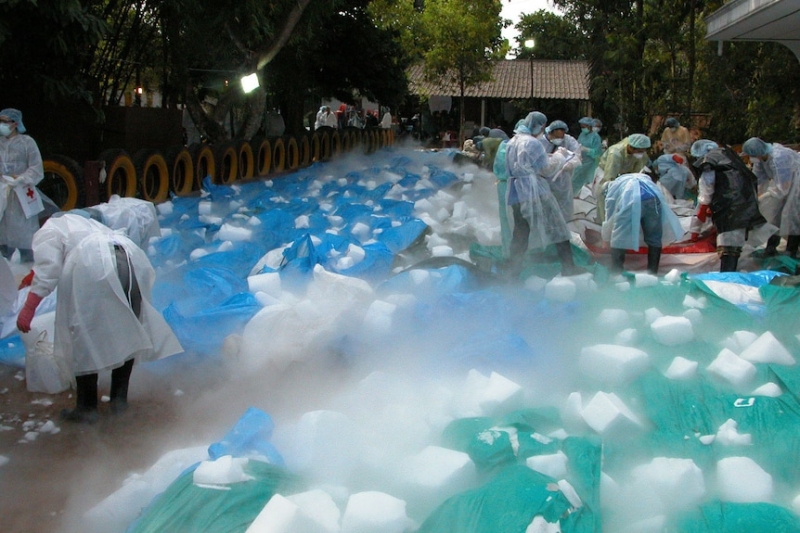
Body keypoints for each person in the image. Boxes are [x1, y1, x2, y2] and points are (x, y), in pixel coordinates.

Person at [16, 211, 182, 423]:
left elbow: (49, 269)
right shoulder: (81, 223)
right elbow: (52, 261)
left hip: (92, 262)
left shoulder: (46, 231)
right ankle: (119, 401)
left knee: (84, 332)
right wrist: (35, 272)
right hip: (128, 254)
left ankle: (87, 409)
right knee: (128, 327)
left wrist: (29, 308)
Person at [505, 112, 581, 277]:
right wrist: (559, 157)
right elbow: (545, 169)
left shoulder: (513, 141)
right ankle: (569, 268)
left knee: (520, 232)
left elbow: (521, 164)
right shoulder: (532, 143)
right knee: (557, 227)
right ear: (539, 126)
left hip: (516, 192)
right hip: (534, 191)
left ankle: (513, 270)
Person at [691, 139, 767, 272]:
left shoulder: (708, 162)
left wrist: (695, 230)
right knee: (735, 242)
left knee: (729, 247)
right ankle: (729, 272)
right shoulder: (729, 156)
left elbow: (705, 195)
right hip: (746, 201)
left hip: (729, 207)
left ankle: (727, 278)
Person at [602, 172, 684, 275]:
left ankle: (616, 274)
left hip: (631, 200)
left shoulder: (613, 188)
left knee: (619, 237)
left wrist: (606, 238)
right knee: (654, 239)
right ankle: (652, 273)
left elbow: (609, 215)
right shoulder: (636, 178)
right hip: (653, 200)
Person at [741, 137, 800, 258]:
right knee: (774, 214)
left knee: (792, 215)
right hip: (785, 184)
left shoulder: (779, 157)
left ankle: (791, 250)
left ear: (757, 152)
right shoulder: (761, 159)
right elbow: (757, 179)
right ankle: (771, 247)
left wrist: (765, 196)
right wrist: (753, 196)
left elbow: (783, 187)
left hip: (796, 184)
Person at [0, 108, 44, 263]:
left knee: (24, 233)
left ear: (15, 123)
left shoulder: (27, 143)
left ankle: (28, 265)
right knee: (3, 231)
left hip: (23, 195)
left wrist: (21, 178)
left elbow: (37, 169)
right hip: (2, 194)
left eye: (5, 121)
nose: (2, 125)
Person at [594, 133, 652, 221]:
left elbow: (636, 173)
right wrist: (611, 188)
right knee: (604, 197)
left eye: (643, 151)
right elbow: (609, 177)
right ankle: (603, 223)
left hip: (622, 174)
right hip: (605, 173)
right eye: (639, 151)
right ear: (631, 147)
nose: (641, 153)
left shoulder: (640, 154)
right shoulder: (615, 153)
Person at [537, 120, 582, 223]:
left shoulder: (569, 140)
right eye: (556, 137)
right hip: (544, 180)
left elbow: (577, 155)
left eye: (561, 137)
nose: (559, 140)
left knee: (564, 206)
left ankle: (565, 229)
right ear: (550, 133)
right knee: (545, 207)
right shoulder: (540, 142)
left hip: (563, 180)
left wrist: (569, 164)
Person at [572, 117, 603, 193]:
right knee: (575, 180)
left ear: (589, 126)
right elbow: (578, 145)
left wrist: (587, 150)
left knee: (588, 182)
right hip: (580, 160)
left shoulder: (596, 137)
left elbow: (598, 152)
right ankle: (575, 195)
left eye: (584, 126)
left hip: (590, 163)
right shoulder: (582, 134)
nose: (582, 128)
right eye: (581, 126)